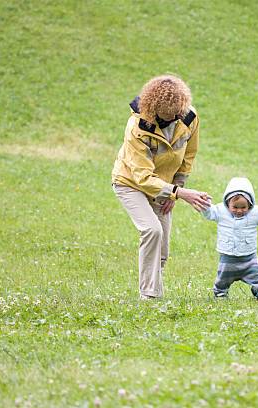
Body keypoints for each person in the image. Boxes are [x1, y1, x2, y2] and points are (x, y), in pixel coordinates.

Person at [112, 75, 211, 300]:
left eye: (180, 111)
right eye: (172, 113)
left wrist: (176, 189)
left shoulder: (188, 116)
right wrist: (180, 194)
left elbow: (189, 155)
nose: (178, 117)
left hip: (165, 185)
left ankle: (155, 294)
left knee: (163, 250)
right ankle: (148, 297)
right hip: (130, 183)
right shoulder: (138, 127)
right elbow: (143, 177)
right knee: (151, 230)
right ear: (155, 108)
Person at [202, 177, 258, 300]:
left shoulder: (255, 212)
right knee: (223, 277)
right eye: (235, 207)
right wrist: (204, 205)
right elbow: (210, 213)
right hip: (228, 257)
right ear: (228, 203)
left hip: (249, 257)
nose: (239, 211)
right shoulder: (220, 211)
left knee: (257, 275)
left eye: (243, 207)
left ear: (250, 204)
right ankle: (220, 293)